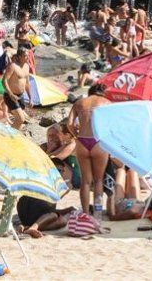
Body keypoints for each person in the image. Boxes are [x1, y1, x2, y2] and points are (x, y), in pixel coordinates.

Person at [67, 82, 111, 215]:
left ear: (90, 92)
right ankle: (97, 214)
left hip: (82, 142)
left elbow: (69, 124)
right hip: (98, 142)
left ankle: (85, 214)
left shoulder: (79, 103)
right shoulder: (107, 103)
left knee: (85, 181)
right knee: (98, 180)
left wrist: (76, 135)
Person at [3, 50, 32, 129]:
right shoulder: (13, 66)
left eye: (28, 55)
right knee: (21, 119)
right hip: (10, 96)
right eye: (25, 56)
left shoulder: (27, 66)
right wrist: (11, 94)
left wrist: (30, 98)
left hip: (21, 96)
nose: (28, 57)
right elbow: (4, 80)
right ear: (19, 57)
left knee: (20, 120)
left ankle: (15, 134)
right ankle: (9, 136)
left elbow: (27, 83)